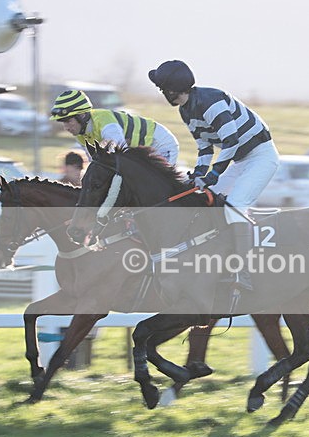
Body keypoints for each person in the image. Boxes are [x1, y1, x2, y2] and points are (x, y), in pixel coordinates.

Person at [148, 60, 280, 291]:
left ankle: (244, 269)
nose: (161, 93)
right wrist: (200, 174)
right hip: (240, 161)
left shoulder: (211, 102)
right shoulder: (185, 110)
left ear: (170, 90)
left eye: (162, 89)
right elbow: (205, 147)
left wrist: (215, 173)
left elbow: (231, 140)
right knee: (204, 199)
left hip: (261, 157)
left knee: (235, 205)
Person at [49, 90, 179, 165]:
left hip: (160, 143)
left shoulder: (105, 120)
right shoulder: (81, 136)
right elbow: (96, 165)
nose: (66, 127)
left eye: (68, 121)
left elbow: (120, 154)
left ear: (82, 115)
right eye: (62, 122)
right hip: (142, 152)